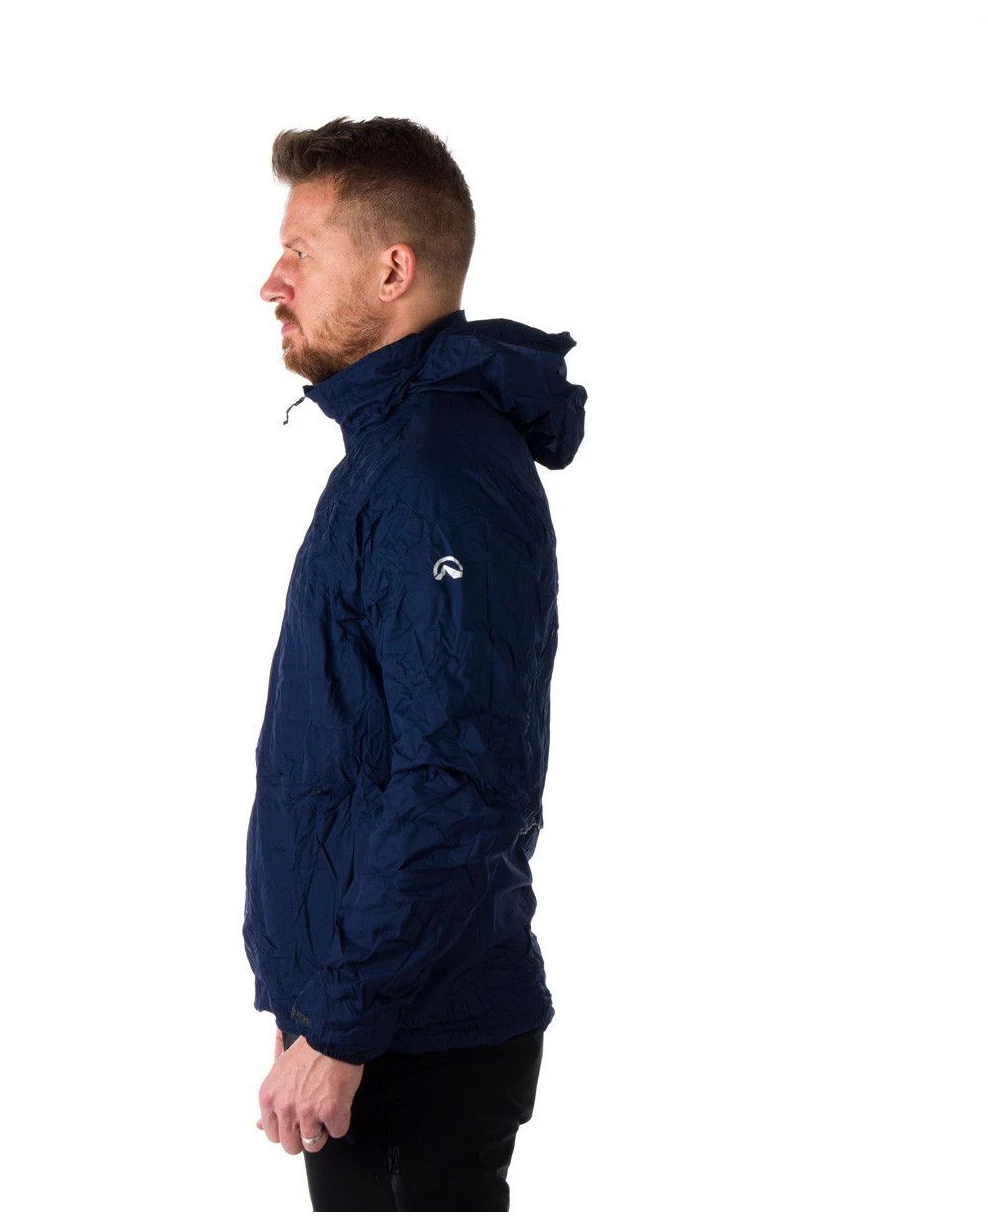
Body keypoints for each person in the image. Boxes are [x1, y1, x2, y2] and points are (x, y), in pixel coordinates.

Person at [242, 116, 585, 1212]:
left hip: (410, 1040)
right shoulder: (396, 454)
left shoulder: (434, 472)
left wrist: (344, 1023)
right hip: (381, 1023)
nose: (272, 283)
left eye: (300, 252)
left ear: (392, 271)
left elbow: (461, 778)